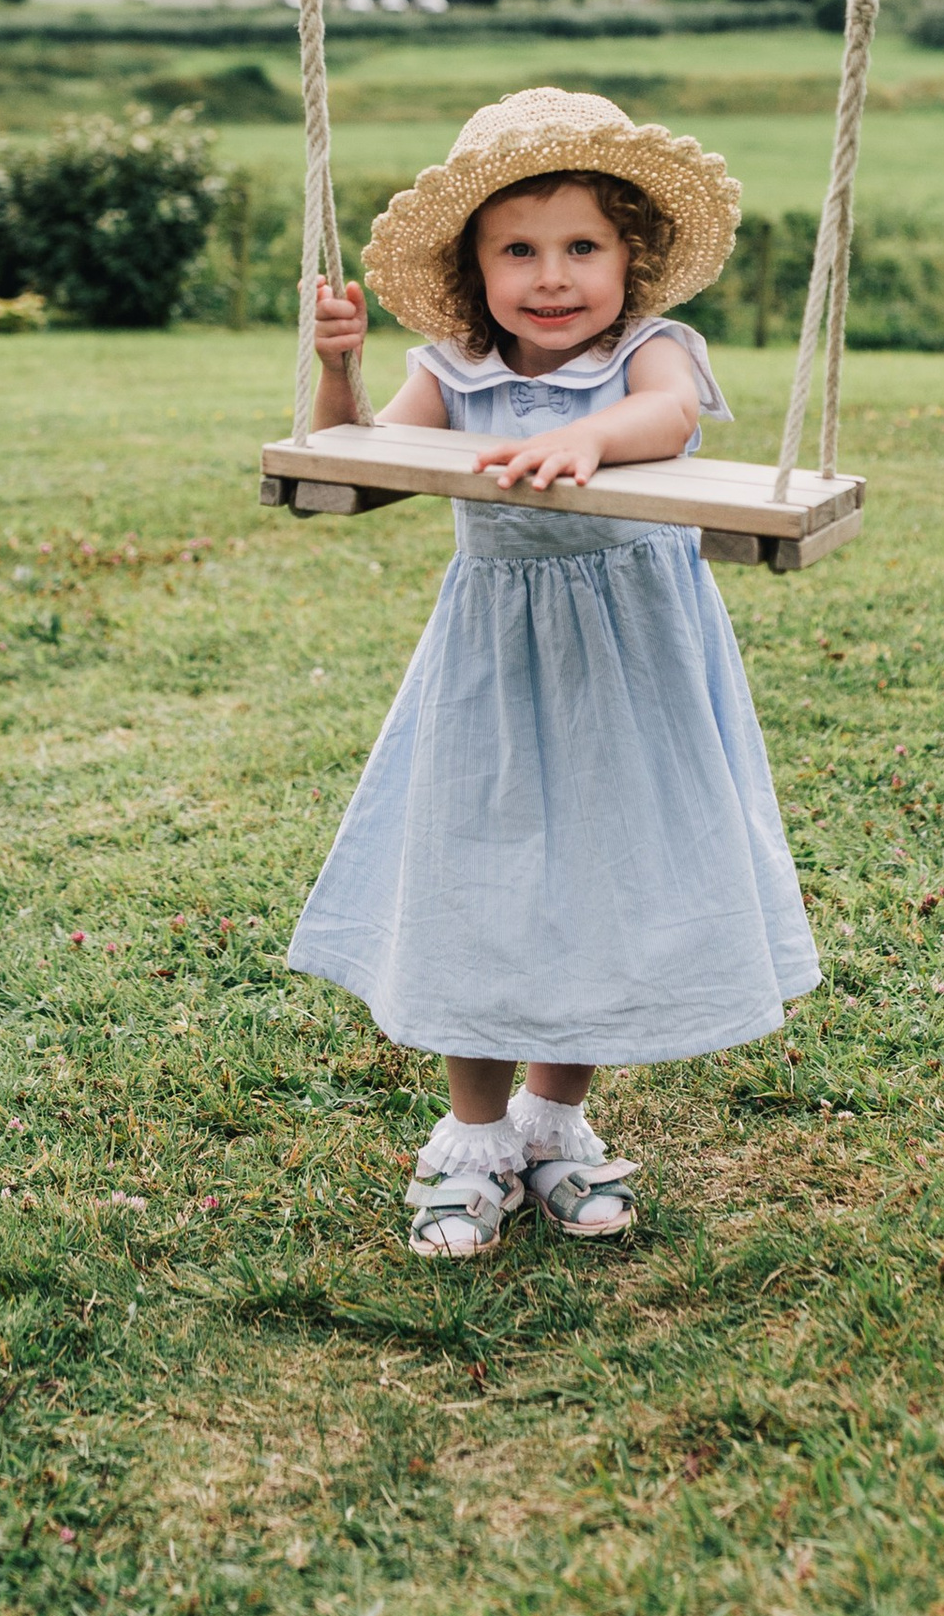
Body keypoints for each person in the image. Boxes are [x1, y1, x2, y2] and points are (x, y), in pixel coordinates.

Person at [287, 88, 820, 1258]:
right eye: (516, 251)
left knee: (600, 875)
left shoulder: (649, 355)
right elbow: (362, 465)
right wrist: (336, 374)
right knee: (477, 875)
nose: (552, 276)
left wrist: (588, 435)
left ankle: (555, 1120)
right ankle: (473, 1143)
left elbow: (667, 421)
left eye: (582, 246)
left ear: (630, 256)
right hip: (494, 662)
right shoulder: (453, 373)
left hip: (633, 662)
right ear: (475, 272)